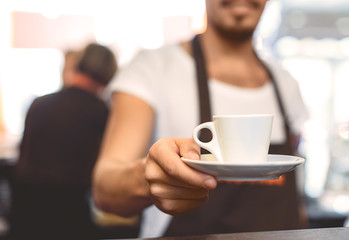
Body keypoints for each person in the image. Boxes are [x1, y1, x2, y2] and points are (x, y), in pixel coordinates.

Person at [93, 0, 308, 238]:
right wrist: (148, 177)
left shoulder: (285, 83)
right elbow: (105, 188)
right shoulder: (152, 69)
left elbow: (294, 198)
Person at [9, 43, 118, 239]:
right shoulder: (102, 112)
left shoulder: (39, 104)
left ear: (78, 64)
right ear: (109, 74)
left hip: (22, 217)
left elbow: (22, 160)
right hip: (70, 219)